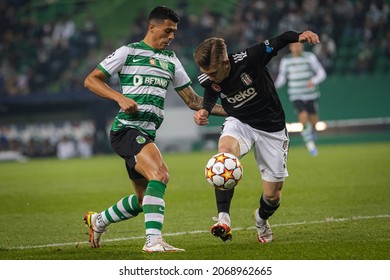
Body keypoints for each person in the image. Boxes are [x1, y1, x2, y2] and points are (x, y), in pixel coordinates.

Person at [83, 6, 225, 253]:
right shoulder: (128, 53)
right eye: (168, 30)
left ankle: (99, 220)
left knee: (142, 201)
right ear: (152, 27)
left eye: (174, 32)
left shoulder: (171, 60)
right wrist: (119, 98)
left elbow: (193, 101)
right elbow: (91, 80)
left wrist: (234, 110)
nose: (171, 37)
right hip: (126, 129)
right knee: (160, 173)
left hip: (145, 134)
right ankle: (153, 241)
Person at [193, 30, 320, 243]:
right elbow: (211, 89)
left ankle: (261, 219)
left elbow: (280, 40)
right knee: (224, 156)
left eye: (214, 72)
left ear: (226, 62)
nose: (210, 76)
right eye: (207, 72)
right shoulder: (209, 75)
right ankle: (223, 218)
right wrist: (205, 109)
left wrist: (300, 35)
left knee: (272, 195)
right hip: (240, 122)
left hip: (271, 128)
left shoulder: (250, 58)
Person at [275, 42, 326, 156]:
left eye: (299, 45)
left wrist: (313, 81)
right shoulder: (286, 60)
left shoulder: (310, 57)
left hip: (311, 94)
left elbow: (322, 73)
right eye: (294, 46)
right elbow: (282, 77)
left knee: (314, 121)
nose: (297, 48)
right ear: (291, 47)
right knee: (303, 117)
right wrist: (274, 86)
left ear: (302, 46)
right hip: (296, 94)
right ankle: (310, 145)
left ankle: (312, 132)